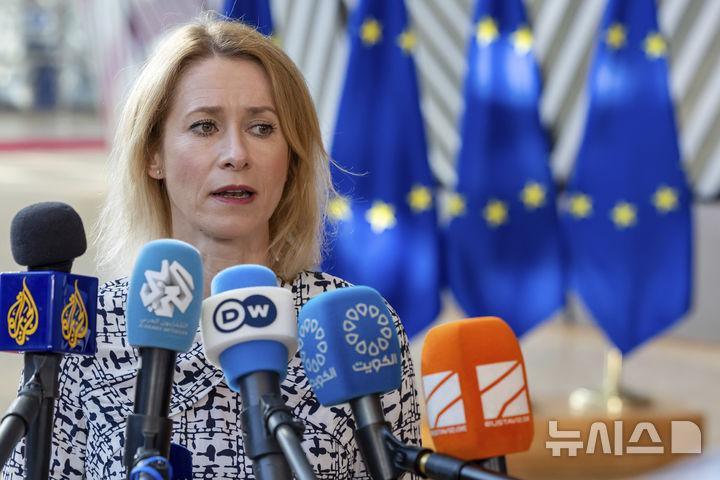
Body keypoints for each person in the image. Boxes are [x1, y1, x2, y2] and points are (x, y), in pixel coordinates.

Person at [2, 16, 421, 480]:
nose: (236, 154)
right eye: (204, 126)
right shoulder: (86, 328)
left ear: (292, 157)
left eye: (262, 128)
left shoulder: (352, 325)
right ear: (153, 155)